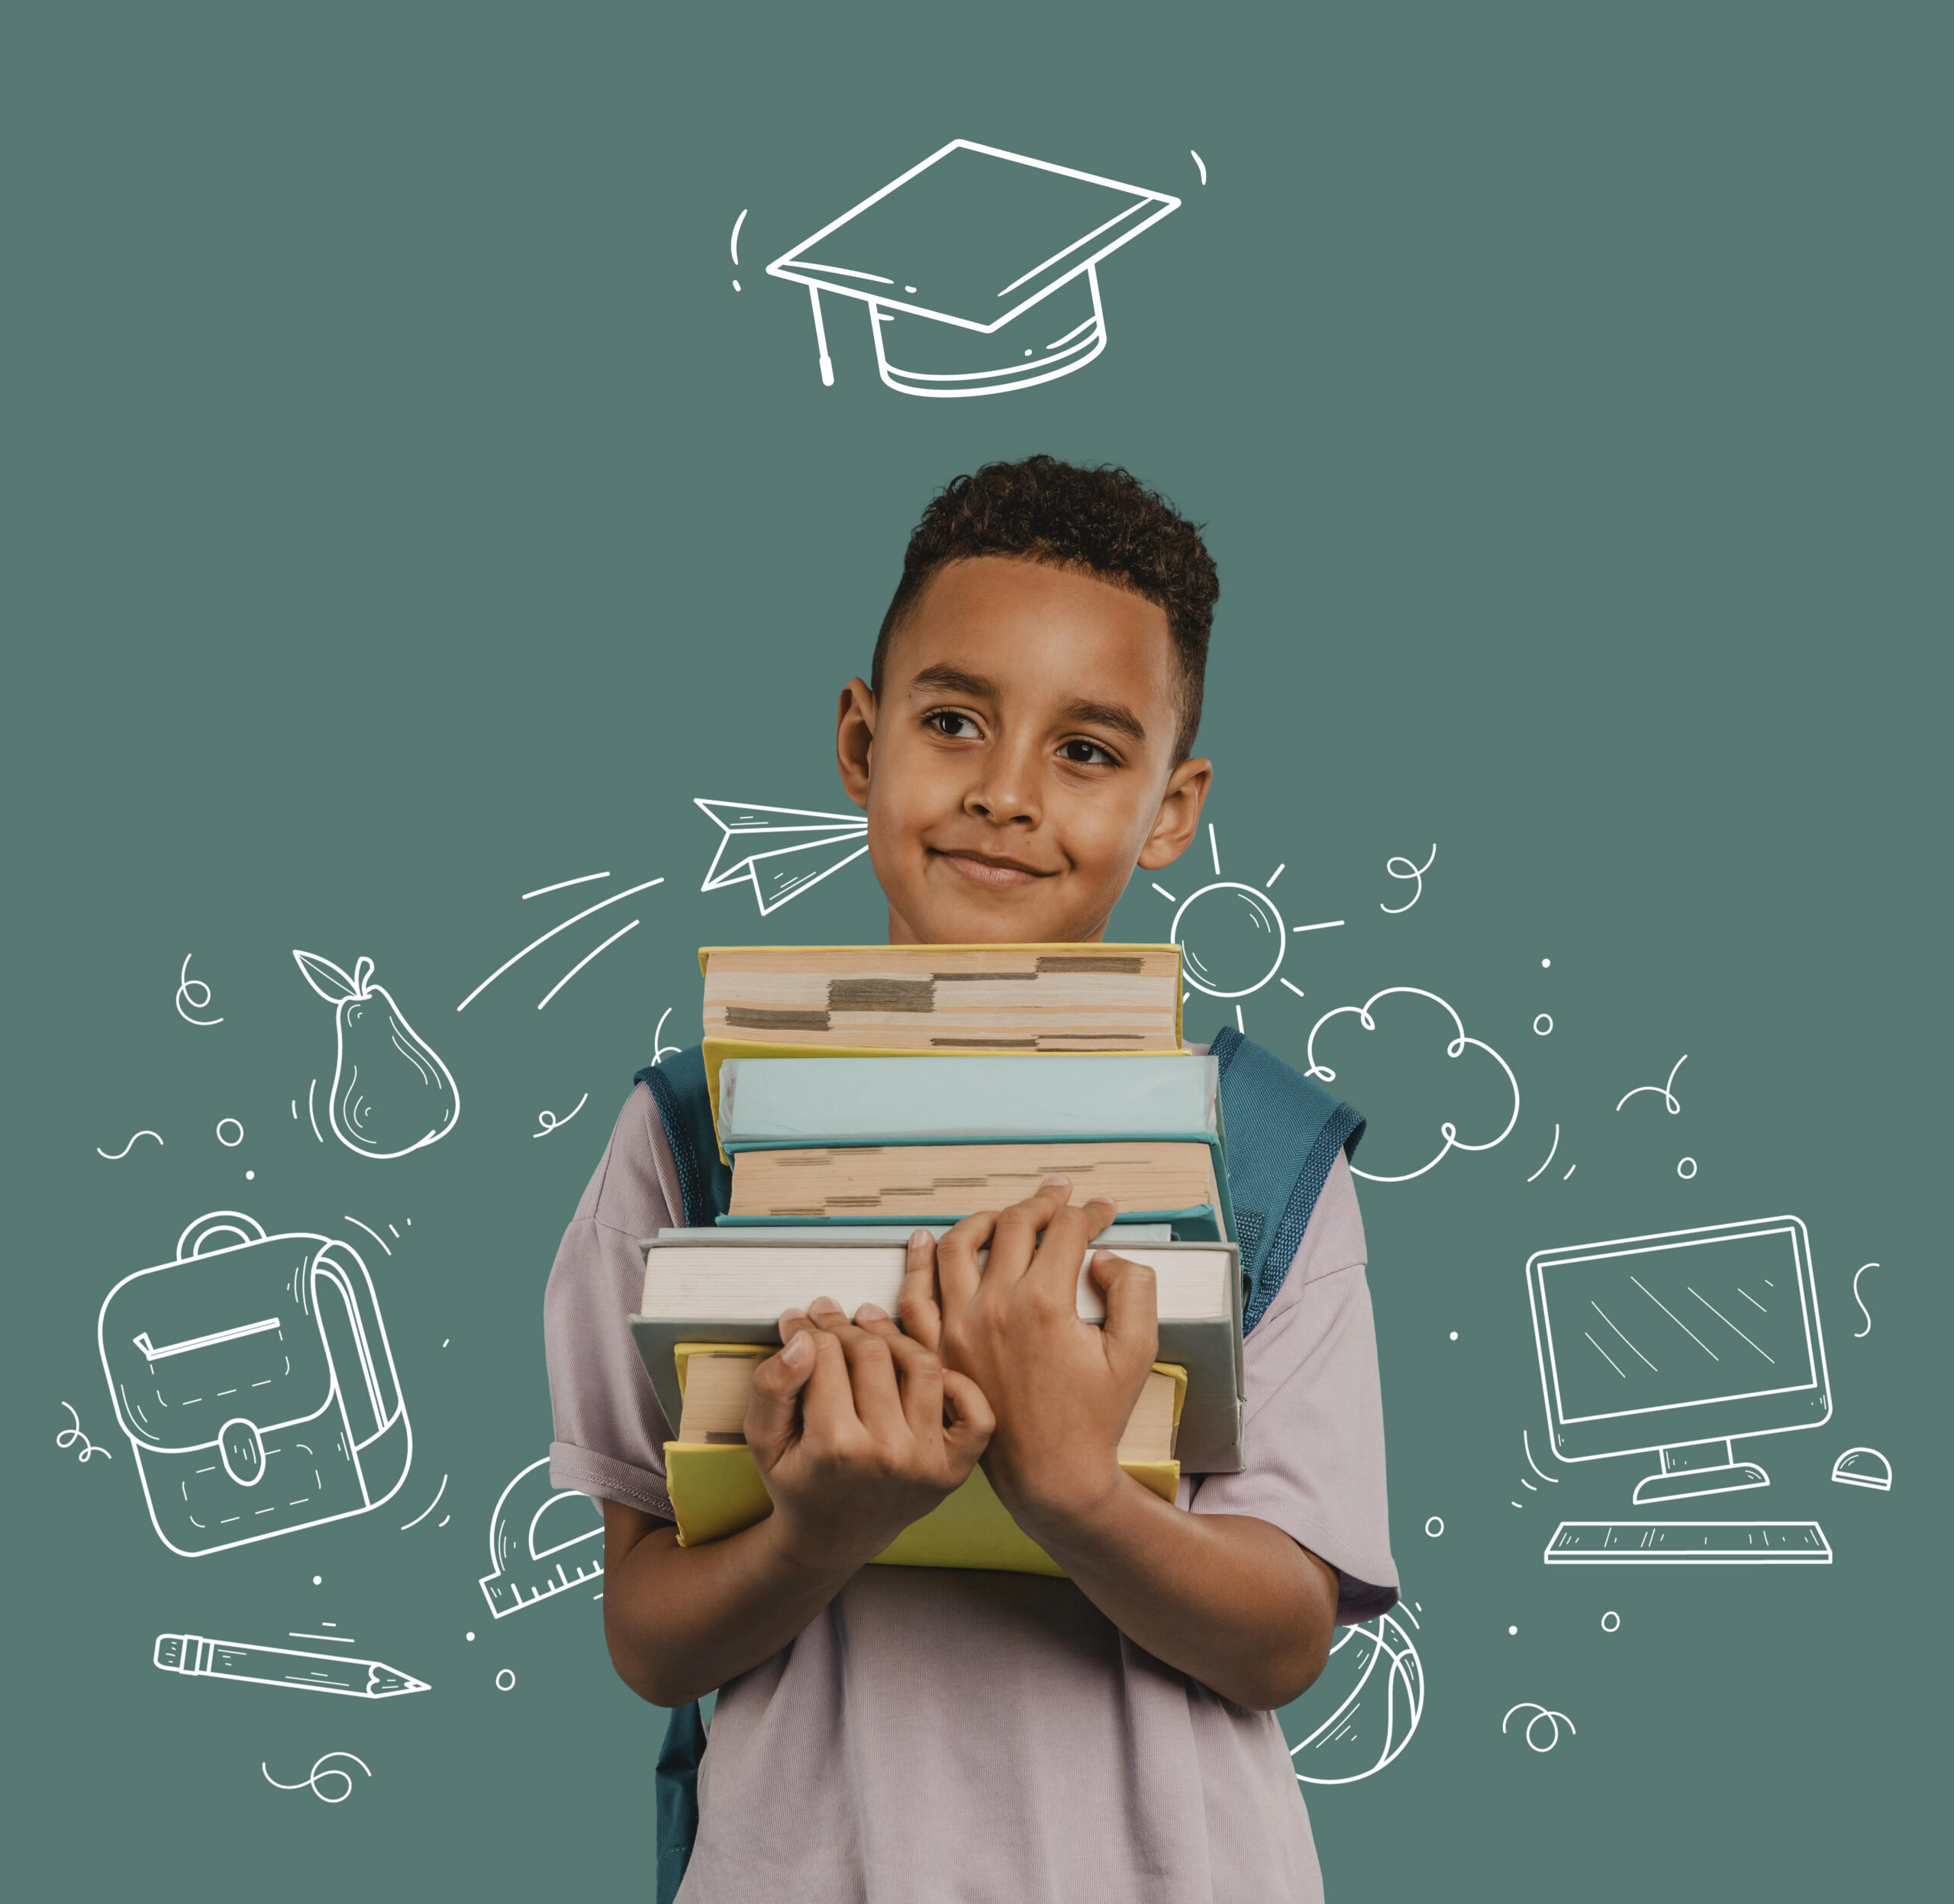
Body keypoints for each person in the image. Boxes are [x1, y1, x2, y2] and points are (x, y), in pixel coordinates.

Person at [544, 456, 1398, 1902]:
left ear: (1173, 807)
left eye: (1086, 751)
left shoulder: (1257, 1151)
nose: (1005, 796)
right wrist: (820, 1528)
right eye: (953, 723)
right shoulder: (690, 1134)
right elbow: (648, 1636)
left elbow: (1285, 1638)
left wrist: (1078, 1491)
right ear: (858, 742)